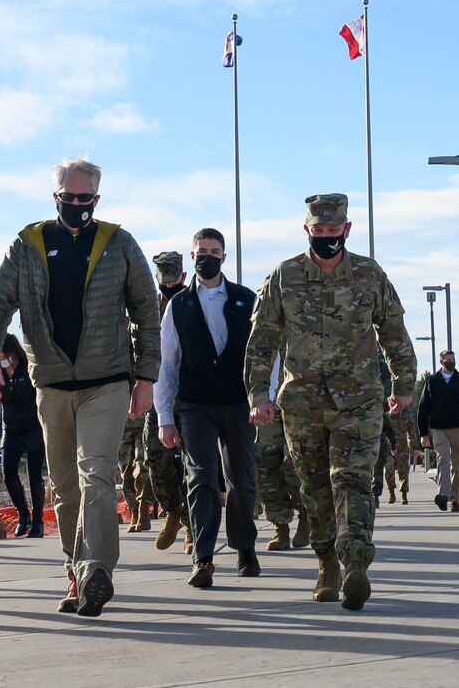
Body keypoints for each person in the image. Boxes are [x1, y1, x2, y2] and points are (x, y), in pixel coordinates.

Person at [0, 157, 160, 618]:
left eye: (85, 199)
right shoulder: (28, 244)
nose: (76, 205)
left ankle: (97, 569)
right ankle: (76, 573)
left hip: (108, 381)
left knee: (95, 472)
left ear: (96, 199)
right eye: (68, 197)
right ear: (53, 195)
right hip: (52, 383)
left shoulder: (118, 243)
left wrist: (147, 378)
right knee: (64, 486)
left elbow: (146, 310)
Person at [246, 194, 417, 612]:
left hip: (359, 401)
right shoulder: (284, 277)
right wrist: (258, 395)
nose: (326, 237)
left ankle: (356, 560)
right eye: (318, 231)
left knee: (354, 482)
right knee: (315, 488)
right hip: (302, 404)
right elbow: (262, 340)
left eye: (333, 230)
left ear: (347, 229)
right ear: (307, 230)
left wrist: (404, 384)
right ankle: (327, 564)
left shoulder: (367, 274)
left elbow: (393, 330)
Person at [157, 228, 259, 588]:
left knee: (241, 480)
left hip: (237, 403)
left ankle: (245, 548)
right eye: (202, 250)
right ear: (192, 255)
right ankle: (203, 557)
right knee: (200, 478)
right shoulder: (178, 306)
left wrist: (264, 397)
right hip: (195, 405)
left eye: (215, 251)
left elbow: (265, 355)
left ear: (224, 258)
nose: (208, 256)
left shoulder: (247, 300)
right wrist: (164, 418)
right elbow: (167, 364)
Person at [144, 251, 192, 553]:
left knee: (193, 464)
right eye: (164, 281)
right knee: (155, 459)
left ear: (183, 277)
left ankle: (190, 524)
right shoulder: (147, 308)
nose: (168, 285)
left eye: (173, 280)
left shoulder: (192, 303)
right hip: (158, 396)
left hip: (190, 395)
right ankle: (172, 511)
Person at [416, 349, 459, 512]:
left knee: (457, 465)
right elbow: (423, 408)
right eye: (448, 359)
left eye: (453, 359)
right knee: (443, 460)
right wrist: (423, 433)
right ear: (441, 362)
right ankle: (443, 496)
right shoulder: (432, 381)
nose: (451, 362)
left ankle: (455, 500)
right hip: (438, 428)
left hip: (458, 428)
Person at [0, 333, 46, 538]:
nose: (3, 360)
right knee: (8, 472)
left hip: (34, 428)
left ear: (14, 353)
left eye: (5, 355)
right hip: (12, 430)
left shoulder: (29, 369)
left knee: (35, 474)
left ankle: (38, 521)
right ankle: (22, 515)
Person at [257, 357, 309, 551]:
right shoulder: (257, 327)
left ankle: (306, 512)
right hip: (264, 403)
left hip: (297, 403)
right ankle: (281, 526)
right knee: (267, 467)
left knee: (293, 465)